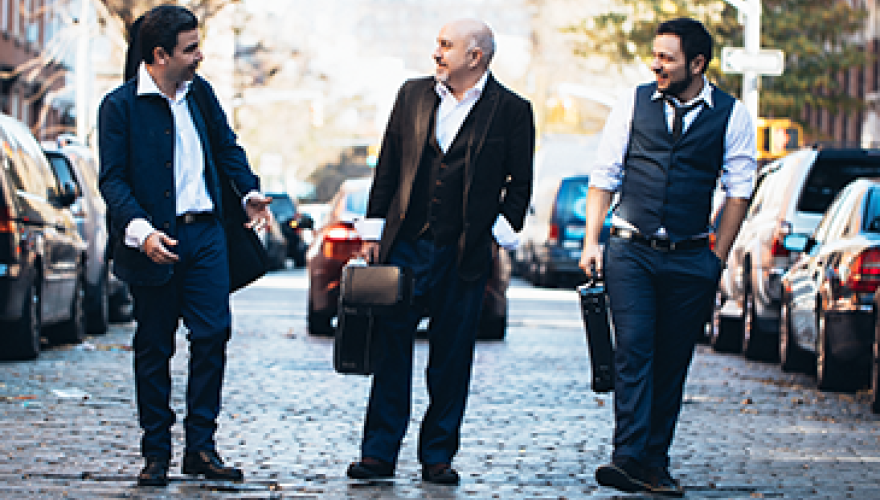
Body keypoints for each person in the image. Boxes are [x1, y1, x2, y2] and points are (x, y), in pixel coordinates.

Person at [347, 18, 535, 485]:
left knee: (451, 358)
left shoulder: (512, 110)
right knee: (391, 350)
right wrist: (373, 234)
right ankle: (378, 454)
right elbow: (388, 166)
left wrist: (492, 231)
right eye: (437, 44)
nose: (437, 53)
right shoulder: (411, 95)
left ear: (476, 56)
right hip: (406, 246)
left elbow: (520, 183)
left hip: (463, 253)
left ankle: (437, 457)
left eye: (446, 46)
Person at [578, 18, 756, 497]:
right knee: (633, 350)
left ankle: (654, 463)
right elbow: (604, 175)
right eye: (655, 55)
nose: (656, 64)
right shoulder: (633, 103)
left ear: (696, 64)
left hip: (691, 257)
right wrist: (593, 241)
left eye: (667, 58)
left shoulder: (731, 115)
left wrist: (717, 256)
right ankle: (628, 457)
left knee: (672, 361)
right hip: (630, 250)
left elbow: (740, 190)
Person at [98, 5, 271, 487]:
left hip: (208, 234)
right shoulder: (120, 106)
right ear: (159, 55)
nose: (200, 55)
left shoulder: (201, 95)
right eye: (190, 47)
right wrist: (142, 232)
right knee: (154, 345)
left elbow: (227, 148)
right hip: (153, 240)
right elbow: (112, 181)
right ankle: (156, 453)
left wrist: (249, 192)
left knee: (213, 334)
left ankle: (201, 448)